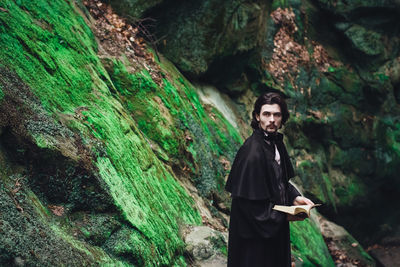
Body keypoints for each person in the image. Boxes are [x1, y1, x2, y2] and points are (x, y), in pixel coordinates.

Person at [225, 92, 314, 267]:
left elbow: (278, 179)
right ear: (258, 117)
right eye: (266, 114)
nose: (272, 119)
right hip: (254, 240)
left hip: (273, 232)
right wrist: (287, 215)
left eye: (277, 114)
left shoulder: (276, 143)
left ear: (282, 118)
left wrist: (294, 197)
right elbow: (251, 208)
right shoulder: (252, 153)